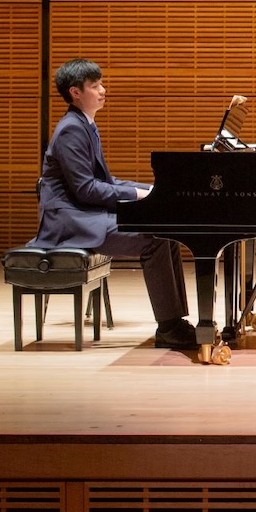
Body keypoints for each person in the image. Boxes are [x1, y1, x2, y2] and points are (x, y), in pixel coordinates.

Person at [35, 58, 196, 349]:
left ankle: (175, 322)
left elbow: (106, 180)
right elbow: (86, 190)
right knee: (154, 239)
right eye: (95, 86)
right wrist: (140, 196)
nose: (103, 90)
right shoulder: (71, 129)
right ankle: (169, 326)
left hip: (82, 213)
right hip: (69, 221)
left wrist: (152, 189)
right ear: (75, 92)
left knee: (166, 233)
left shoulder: (83, 124)